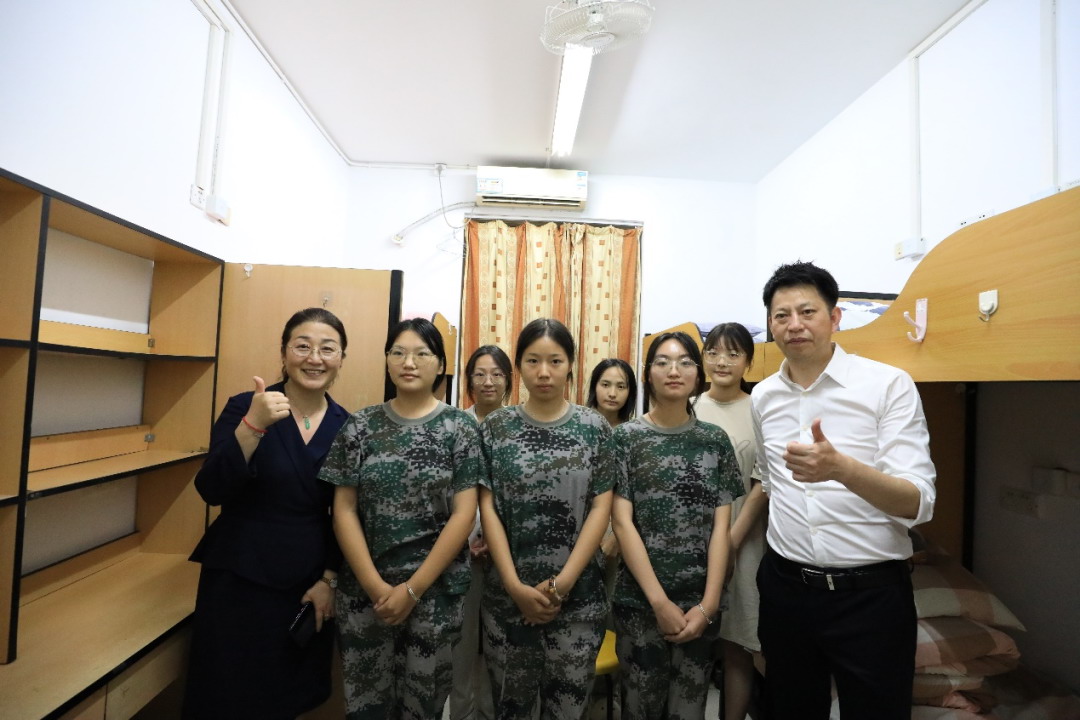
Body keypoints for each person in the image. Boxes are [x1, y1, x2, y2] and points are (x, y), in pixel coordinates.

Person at [752, 261, 936, 720]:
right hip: (786, 590)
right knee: (789, 710)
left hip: (870, 597)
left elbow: (918, 502)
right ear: (771, 326)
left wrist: (841, 469)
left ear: (835, 317)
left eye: (807, 312)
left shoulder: (888, 386)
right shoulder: (763, 396)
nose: (794, 325)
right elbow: (772, 483)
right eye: (781, 315)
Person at [183, 308, 349, 720]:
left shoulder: (348, 426)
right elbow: (211, 489)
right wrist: (252, 427)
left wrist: (330, 579)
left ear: (341, 358)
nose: (314, 358)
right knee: (226, 694)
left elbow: (346, 514)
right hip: (240, 576)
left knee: (286, 697)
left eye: (327, 349)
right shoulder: (246, 406)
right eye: (302, 346)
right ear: (284, 352)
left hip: (307, 584)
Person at [321, 317, 481, 719]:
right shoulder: (360, 426)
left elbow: (464, 515)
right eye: (398, 353)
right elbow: (343, 510)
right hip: (366, 596)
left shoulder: (460, 427)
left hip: (435, 595)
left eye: (421, 354)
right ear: (387, 360)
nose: (409, 363)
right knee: (367, 707)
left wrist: (412, 590)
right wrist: (376, 587)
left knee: (423, 707)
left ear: (440, 364)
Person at [478, 318, 613, 719]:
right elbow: (488, 508)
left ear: (570, 365)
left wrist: (563, 583)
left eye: (555, 361)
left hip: (577, 600)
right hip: (508, 599)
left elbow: (600, 507)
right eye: (533, 360)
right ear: (518, 366)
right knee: (511, 707)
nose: (543, 372)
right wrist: (514, 586)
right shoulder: (496, 428)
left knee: (567, 708)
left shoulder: (594, 427)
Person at [606, 331, 744, 719]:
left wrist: (709, 605)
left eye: (685, 362)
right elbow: (622, 523)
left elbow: (721, 529)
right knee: (639, 708)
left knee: (690, 708)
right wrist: (659, 602)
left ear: (697, 375)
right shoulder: (625, 439)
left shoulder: (714, 441)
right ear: (648, 373)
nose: (674, 370)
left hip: (699, 604)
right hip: (640, 604)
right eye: (662, 362)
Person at [693, 323, 767, 720]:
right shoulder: (688, 405)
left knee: (738, 642)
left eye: (733, 354)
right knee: (693, 640)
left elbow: (763, 482)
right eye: (713, 352)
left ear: (748, 362)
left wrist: (731, 542)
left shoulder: (760, 409)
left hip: (745, 537)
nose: (722, 362)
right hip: (690, 539)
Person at [450, 345, 512, 720]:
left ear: (508, 380)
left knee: (499, 642)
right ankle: (460, 712)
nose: (488, 382)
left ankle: (491, 712)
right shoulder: (455, 425)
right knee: (460, 642)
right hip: (458, 552)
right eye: (480, 374)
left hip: (507, 554)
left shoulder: (518, 426)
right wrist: (462, 540)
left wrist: (496, 538)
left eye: (497, 374)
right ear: (469, 380)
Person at [586, 357, 638, 427]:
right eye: (605, 385)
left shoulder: (633, 431)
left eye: (620, 387)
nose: (612, 394)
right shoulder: (579, 426)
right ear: (594, 386)